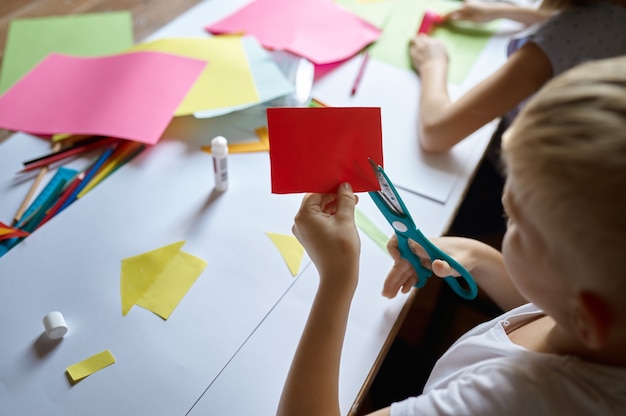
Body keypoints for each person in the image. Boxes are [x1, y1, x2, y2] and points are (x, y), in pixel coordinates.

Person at [277, 55, 626, 416]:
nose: (506, 211)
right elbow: (547, 306)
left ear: (589, 317)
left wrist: (336, 279)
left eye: (514, 221)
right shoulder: (606, 311)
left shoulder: (507, 400)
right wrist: (479, 257)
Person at [416, 0, 626, 245]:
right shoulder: (598, 24)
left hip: (518, 188)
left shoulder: (566, 34)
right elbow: (593, 27)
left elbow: (436, 132)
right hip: (585, 190)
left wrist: (433, 64)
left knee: (431, 224)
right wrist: (505, 12)